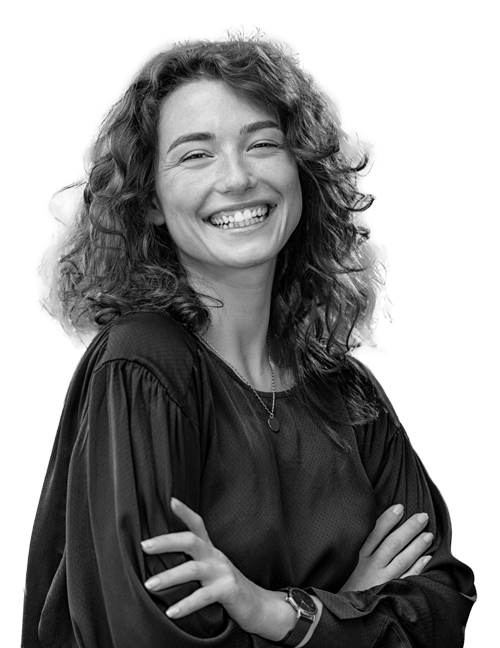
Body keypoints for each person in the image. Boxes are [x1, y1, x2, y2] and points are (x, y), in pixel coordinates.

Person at [22, 36, 475, 648]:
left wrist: (277, 612)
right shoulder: (143, 368)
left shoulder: (344, 391)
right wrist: (347, 612)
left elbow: (439, 609)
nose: (237, 178)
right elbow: (147, 637)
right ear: (150, 201)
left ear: (299, 170)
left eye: (262, 144)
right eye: (195, 155)